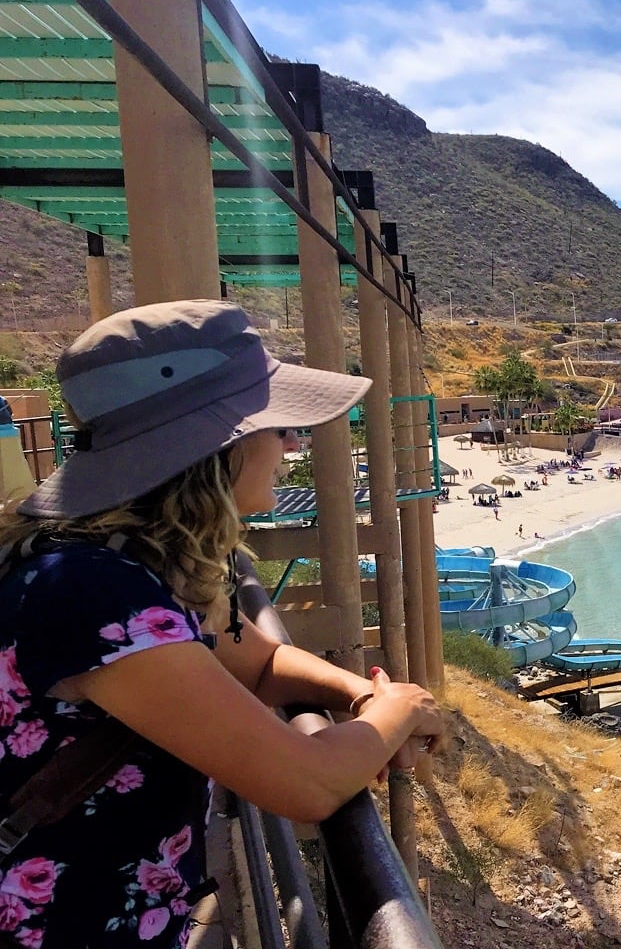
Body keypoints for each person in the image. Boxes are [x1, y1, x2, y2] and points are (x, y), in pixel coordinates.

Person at [0, 301, 444, 949]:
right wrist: (401, 709)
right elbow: (309, 783)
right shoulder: (95, 593)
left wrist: (359, 696)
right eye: (277, 427)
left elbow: (259, 660)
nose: (292, 445)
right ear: (215, 448)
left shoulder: (141, 564)